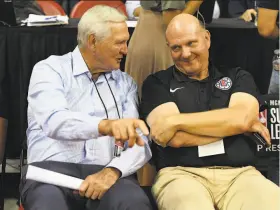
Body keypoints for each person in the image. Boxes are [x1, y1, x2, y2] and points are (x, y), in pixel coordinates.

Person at [140, 13, 280, 210]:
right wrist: (234, 127)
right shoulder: (157, 83)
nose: (185, 53)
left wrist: (177, 121)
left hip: (240, 175)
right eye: (176, 47)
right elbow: (171, 137)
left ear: (207, 38)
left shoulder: (238, 76)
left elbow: (242, 117)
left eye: (191, 43)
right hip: (180, 174)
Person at [20, 5, 153, 210]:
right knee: (48, 204)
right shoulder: (50, 70)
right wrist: (106, 126)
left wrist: (113, 171)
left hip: (107, 175)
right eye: (119, 43)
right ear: (93, 41)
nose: (125, 50)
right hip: (50, 175)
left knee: (134, 202)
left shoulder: (125, 83)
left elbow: (140, 142)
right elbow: (54, 121)